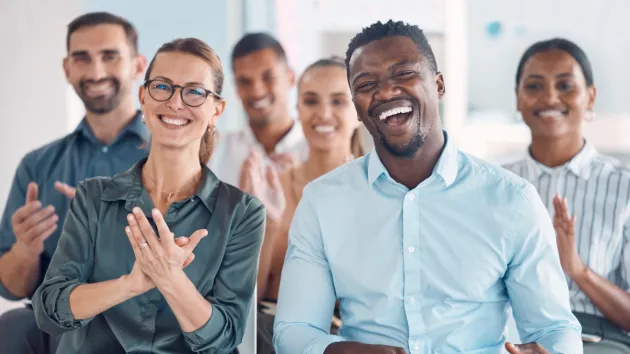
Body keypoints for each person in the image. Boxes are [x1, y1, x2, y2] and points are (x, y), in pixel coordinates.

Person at [273, 20, 583, 354]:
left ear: (438, 85)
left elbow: (555, 328)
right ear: (357, 106)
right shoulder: (323, 202)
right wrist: (340, 351)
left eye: (404, 74)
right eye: (367, 84)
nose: (387, 92)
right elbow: (294, 330)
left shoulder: (513, 200)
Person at [32, 37, 264, 354]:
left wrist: (169, 279)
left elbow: (224, 338)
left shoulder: (242, 212)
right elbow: (49, 310)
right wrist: (131, 284)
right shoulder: (94, 197)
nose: (175, 102)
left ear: (216, 110)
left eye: (194, 91)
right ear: (143, 96)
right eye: (162, 87)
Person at [0, 12, 149, 354]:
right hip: (60, 322)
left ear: (137, 65)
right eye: (82, 58)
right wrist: (26, 248)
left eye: (110, 56)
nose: (96, 72)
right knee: (13, 325)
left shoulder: (168, 158)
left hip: (142, 318)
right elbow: (11, 287)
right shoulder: (38, 166)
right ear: (67, 69)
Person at [503, 38, 630, 354]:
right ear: (518, 100)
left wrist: (577, 270)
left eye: (565, 85)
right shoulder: (495, 185)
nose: (549, 97)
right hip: (511, 340)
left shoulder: (623, 188)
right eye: (534, 86)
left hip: (598, 342)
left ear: (591, 97)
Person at [244, 57, 364, 353]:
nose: (323, 113)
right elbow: (246, 299)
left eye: (338, 102)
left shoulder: (375, 191)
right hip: (266, 336)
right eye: (311, 101)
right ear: (297, 109)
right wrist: (266, 224)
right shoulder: (271, 187)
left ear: (360, 111)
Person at [209, 32, 308, 187]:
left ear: (290, 78)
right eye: (245, 81)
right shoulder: (217, 153)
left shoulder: (315, 150)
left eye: (268, 78)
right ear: (236, 88)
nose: (257, 91)